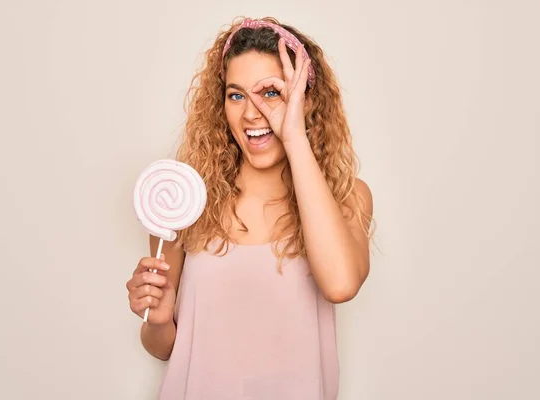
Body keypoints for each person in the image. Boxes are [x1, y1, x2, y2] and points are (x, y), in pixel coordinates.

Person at [126, 16, 375, 400]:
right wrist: (156, 321)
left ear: (306, 99)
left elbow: (341, 284)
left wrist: (293, 136)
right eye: (236, 94)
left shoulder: (348, 197)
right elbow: (163, 347)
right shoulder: (184, 201)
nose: (252, 114)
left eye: (271, 93)